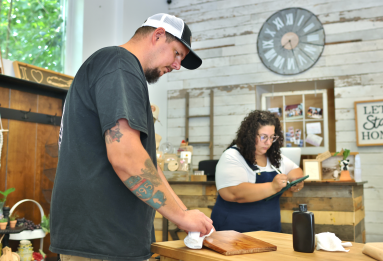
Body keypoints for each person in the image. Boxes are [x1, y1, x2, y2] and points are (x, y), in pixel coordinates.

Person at [50, 13, 213, 261]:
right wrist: (180, 216)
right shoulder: (119, 64)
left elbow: (146, 164)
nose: (177, 65)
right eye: (177, 53)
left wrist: (183, 212)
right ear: (158, 36)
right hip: (102, 242)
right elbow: (126, 156)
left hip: (110, 241)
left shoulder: (118, 69)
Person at [211, 110, 304, 233]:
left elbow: (294, 169)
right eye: (263, 137)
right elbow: (232, 193)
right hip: (234, 232)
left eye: (272, 137)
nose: (269, 142)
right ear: (250, 135)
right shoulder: (232, 156)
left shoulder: (273, 156)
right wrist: (272, 187)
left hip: (270, 230)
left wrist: (296, 180)